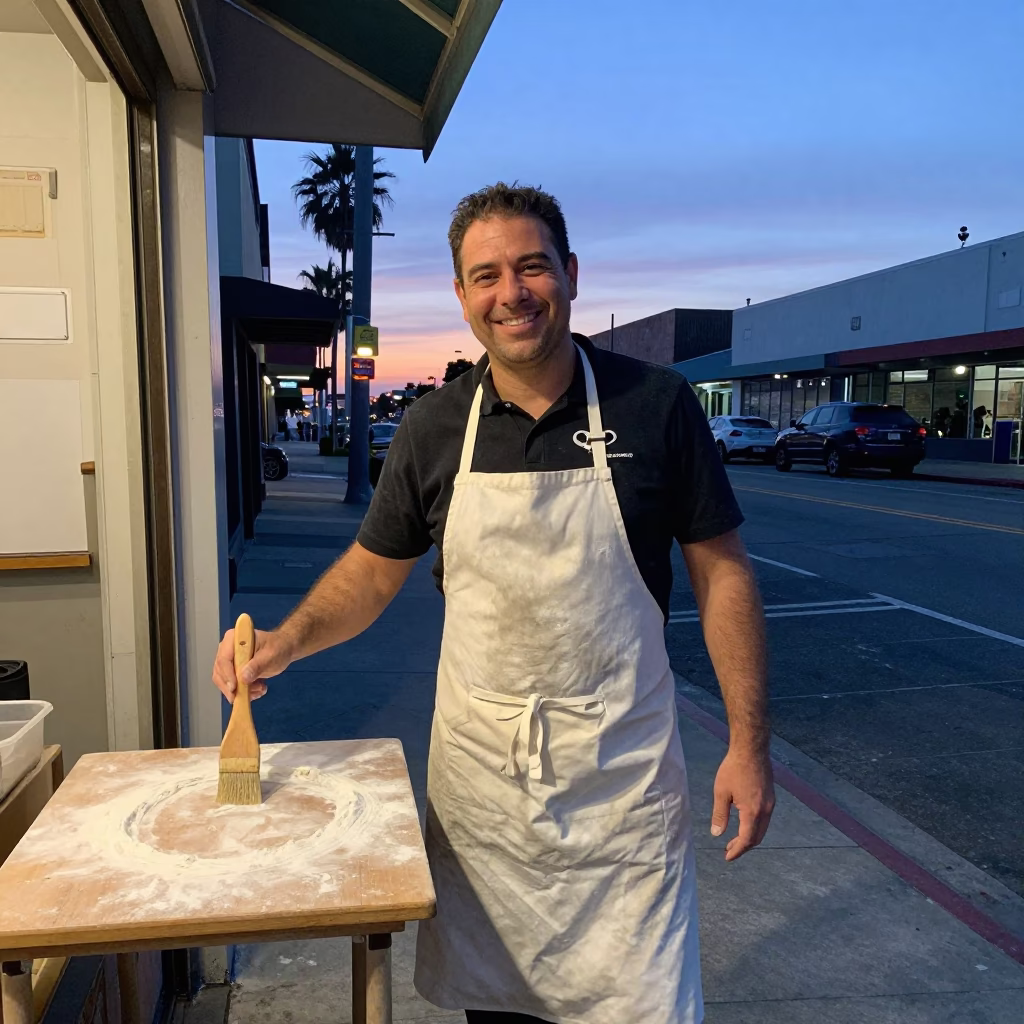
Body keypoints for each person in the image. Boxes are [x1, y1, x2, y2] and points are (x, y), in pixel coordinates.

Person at [212, 184, 775, 1024]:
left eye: (531, 267)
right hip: (485, 796)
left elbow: (722, 573)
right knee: (498, 1011)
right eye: (486, 275)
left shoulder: (655, 405)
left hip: (618, 784)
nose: (511, 293)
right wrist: (287, 641)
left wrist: (747, 744)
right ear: (462, 296)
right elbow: (372, 573)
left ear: (570, 275)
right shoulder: (434, 427)